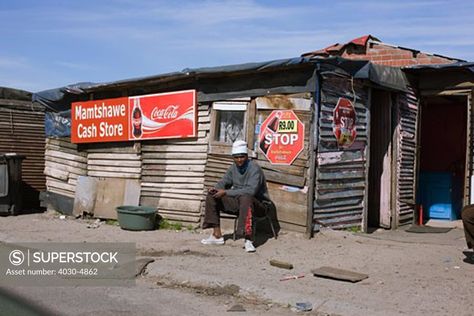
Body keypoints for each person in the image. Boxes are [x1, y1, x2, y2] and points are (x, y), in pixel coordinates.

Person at [201, 140, 272, 253]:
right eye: (236, 157)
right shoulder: (233, 168)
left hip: (260, 206)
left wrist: (226, 192)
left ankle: (248, 239)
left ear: (247, 156)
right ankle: (217, 235)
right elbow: (224, 182)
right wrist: (215, 189)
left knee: (246, 197)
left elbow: (251, 190)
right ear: (233, 157)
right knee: (212, 196)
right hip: (240, 204)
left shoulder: (254, 168)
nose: (239, 160)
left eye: (242, 157)